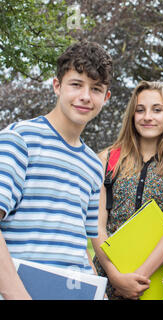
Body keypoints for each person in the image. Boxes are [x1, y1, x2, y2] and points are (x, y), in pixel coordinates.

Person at [0, 40, 113, 299]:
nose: (86, 96)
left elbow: (79, 246)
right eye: (76, 84)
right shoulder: (19, 140)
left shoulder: (94, 165)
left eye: (96, 89)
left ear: (105, 98)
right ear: (57, 86)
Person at [91, 80, 163, 300]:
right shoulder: (107, 159)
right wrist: (115, 276)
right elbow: (96, 224)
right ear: (132, 115)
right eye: (140, 110)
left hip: (158, 282)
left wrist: (139, 277)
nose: (147, 116)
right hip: (108, 280)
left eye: (157, 110)